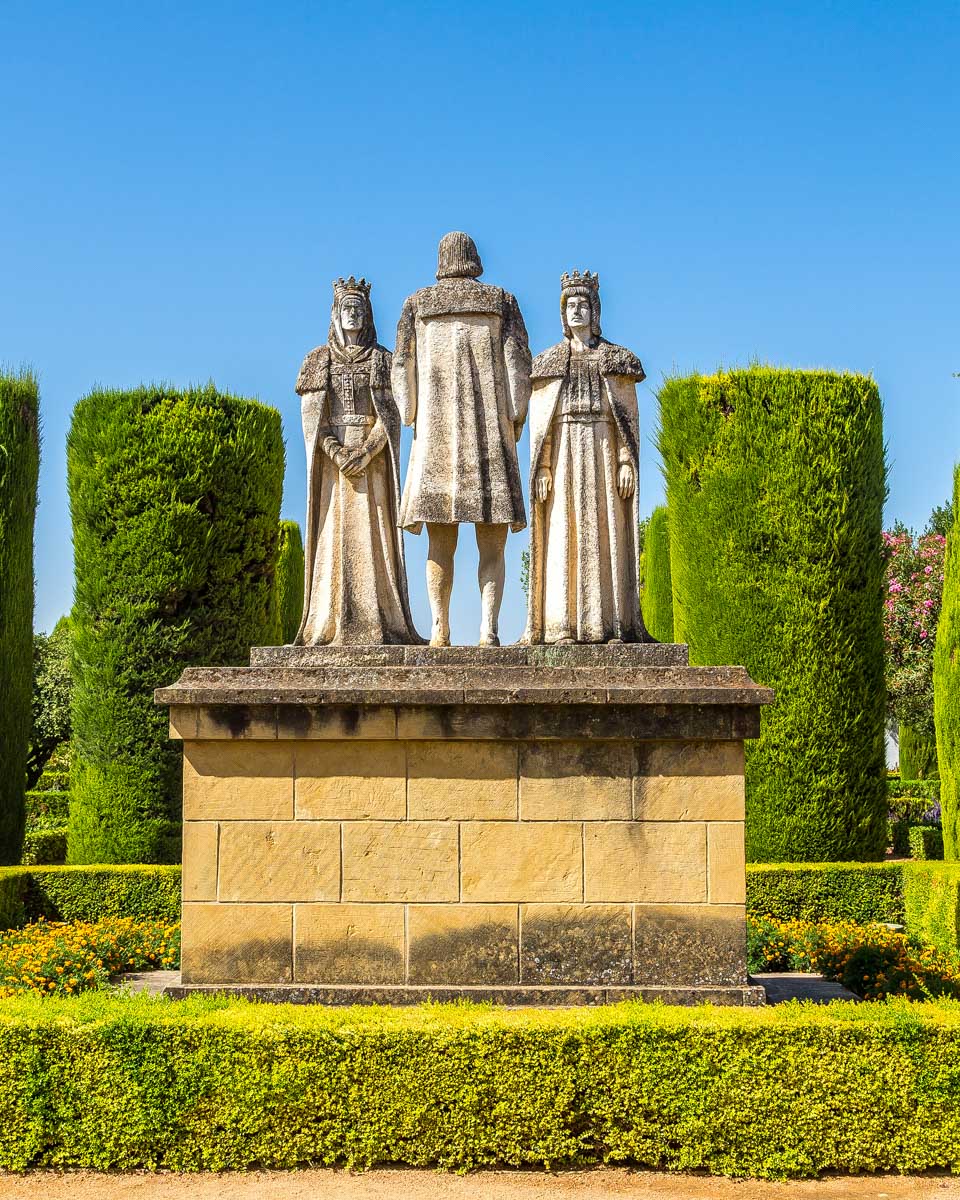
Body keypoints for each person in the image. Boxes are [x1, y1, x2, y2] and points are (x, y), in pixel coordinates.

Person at [392, 232, 531, 646]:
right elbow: (518, 365)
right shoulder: (500, 301)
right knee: (494, 543)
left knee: (440, 543)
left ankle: (440, 627)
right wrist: (516, 415)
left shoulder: (418, 304)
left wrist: (412, 414)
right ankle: (489, 628)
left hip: (436, 437)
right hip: (489, 434)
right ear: (474, 259)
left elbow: (402, 365)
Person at [294, 277, 421, 645]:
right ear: (335, 314)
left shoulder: (382, 360)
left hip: (373, 464)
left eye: (359, 308)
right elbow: (312, 421)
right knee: (331, 540)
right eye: (347, 308)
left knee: (376, 537)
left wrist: (366, 452)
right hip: (334, 469)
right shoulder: (318, 361)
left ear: (367, 315)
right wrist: (335, 451)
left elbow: (390, 416)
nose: (353, 314)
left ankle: (380, 618)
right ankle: (329, 621)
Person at [525, 271, 648, 644]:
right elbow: (543, 421)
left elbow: (625, 421)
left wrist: (626, 460)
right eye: (570, 306)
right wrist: (543, 465)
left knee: (604, 533)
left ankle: (609, 623)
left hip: (602, 450)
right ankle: (561, 624)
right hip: (563, 451)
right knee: (563, 533)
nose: (576, 311)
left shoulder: (615, 360)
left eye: (583, 305)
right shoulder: (549, 363)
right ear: (562, 314)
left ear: (595, 311)